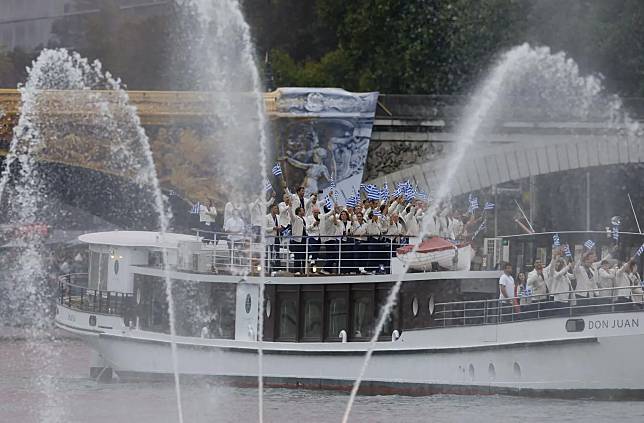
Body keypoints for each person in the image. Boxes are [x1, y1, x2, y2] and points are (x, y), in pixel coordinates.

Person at [287, 206, 308, 275]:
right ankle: (297, 270)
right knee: (298, 255)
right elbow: (291, 214)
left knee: (304, 255)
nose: (304, 212)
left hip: (304, 239)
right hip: (297, 239)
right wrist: (289, 206)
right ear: (299, 212)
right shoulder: (295, 218)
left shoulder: (304, 219)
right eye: (302, 210)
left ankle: (304, 270)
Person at [265, 204, 282, 271]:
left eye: (277, 208)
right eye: (275, 208)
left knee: (277, 253)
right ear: (271, 209)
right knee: (269, 253)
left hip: (277, 237)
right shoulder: (266, 217)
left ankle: (276, 268)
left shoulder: (278, 217)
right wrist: (273, 228)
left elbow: (279, 225)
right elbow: (265, 228)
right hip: (270, 238)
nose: (276, 210)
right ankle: (268, 268)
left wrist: (280, 228)